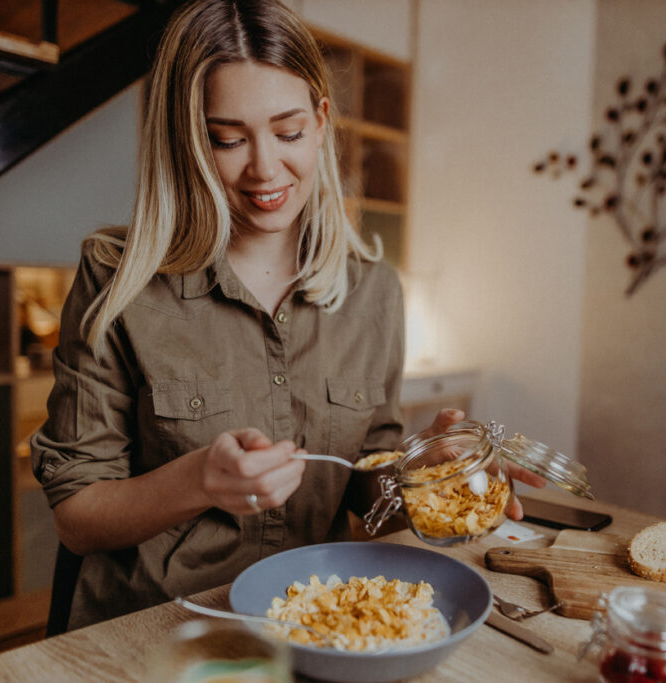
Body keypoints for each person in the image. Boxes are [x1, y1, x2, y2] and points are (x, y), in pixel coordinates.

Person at [31, 0, 544, 632]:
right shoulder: (117, 278)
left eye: (289, 131)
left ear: (322, 120)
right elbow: (76, 517)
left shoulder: (374, 292)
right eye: (228, 138)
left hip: (315, 625)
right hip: (159, 631)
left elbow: (363, 487)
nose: (265, 168)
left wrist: (421, 477)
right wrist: (198, 480)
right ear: (189, 137)